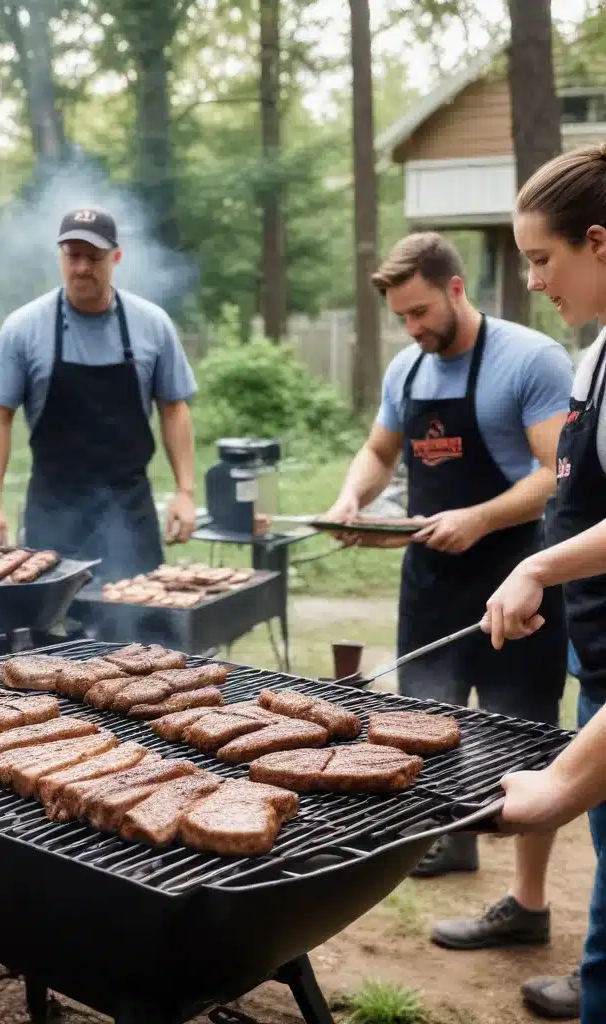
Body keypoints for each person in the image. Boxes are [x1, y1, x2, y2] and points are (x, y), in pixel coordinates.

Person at [323, 233, 573, 969]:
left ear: (457, 289)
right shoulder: (408, 367)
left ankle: (527, 906)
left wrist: (482, 517)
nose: (413, 329)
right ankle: (453, 836)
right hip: (430, 579)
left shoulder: (528, 359)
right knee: (425, 716)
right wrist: (350, 497)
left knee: (521, 733)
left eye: (421, 311)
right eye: (401, 316)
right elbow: (378, 452)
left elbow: (554, 472)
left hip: (515, 573)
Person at [480, 141, 606, 1024]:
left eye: (540, 258)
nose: (532, 280)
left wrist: (534, 562)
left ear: (598, 242)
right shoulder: (596, 357)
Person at [0, 206, 198, 581]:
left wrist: (185, 492)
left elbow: (174, 409)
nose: (81, 267)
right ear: (60, 257)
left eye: (93, 257)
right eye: (72, 255)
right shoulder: (23, 328)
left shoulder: (152, 325)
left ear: (116, 257)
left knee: (144, 629)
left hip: (130, 512)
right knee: (53, 631)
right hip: (54, 513)